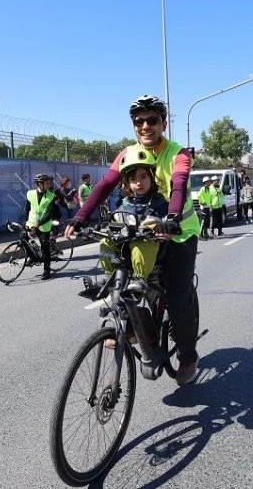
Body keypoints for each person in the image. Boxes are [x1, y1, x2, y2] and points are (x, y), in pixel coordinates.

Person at [64, 94, 201, 386]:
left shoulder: (178, 153)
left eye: (152, 120)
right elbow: (104, 186)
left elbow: (178, 185)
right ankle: (130, 326)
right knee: (121, 276)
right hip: (138, 230)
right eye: (139, 121)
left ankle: (188, 356)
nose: (145, 126)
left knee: (177, 296)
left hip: (178, 233)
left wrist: (173, 218)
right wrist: (80, 217)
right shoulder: (127, 153)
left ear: (163, 123)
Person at [99, 147, 168, 294]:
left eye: (143, 177)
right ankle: (108, 275)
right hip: (126, 245)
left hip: (151, 246)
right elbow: (117, 218)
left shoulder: (159, 201)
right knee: (106, 241)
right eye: (133, 179)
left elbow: (168, 218)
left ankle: (140, 279)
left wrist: (165, 225)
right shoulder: (125, 202)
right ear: (127, 183)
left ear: (151, 177)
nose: (138, 183)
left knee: (140, 245)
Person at [26, 174, 61, 280]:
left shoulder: (51, 196)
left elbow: (48, 213)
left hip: (43, 225)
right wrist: (25, 222)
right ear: (39, 184)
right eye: (46, 183)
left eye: (49, 183)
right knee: (23, 239)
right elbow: (27, 209)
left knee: (45, 249)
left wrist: (38, 224)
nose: (49, 185)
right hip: (31, 223)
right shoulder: (30, 194)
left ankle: (47, 271)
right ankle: (33, 256)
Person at [198, 176, 212, 240]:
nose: (210, 182)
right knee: (202, 222)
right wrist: (203, 202)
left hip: (207, 207)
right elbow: (199, 196)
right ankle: (200, 235)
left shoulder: (208, 189)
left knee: (206, 222)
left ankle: (205, 234)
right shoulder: (203, 189)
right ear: (205, 182)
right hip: (203, 207)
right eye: (209, 181)